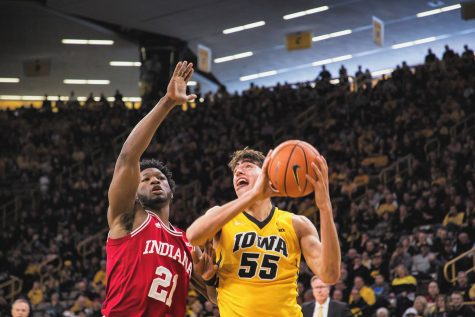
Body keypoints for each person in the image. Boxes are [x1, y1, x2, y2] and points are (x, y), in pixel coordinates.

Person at [101, 61, 211, 317]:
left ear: (171, 190)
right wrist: (168, 102)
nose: (153, 180)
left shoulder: (187, 241)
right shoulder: (128, 218)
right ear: (134, 192)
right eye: (145, 178)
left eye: (160, 178)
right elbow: (128, 157)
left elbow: (217, 297)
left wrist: (211, 278)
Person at [187, 148, 341, 316]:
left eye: (247, 166)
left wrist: (325, 207)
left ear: (268, 174)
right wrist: (253, 194)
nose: (238, 171)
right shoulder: (221, 217)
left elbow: (330, 275)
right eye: (235, 170)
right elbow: (194, 236)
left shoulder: (297, 224)